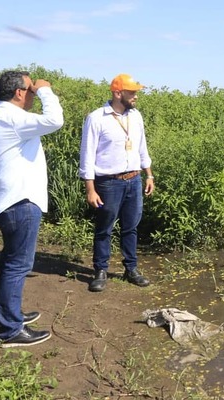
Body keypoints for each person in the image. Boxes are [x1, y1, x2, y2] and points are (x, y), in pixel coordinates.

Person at [0, 70, 64, 347]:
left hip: (8, 201)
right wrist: (45, 89)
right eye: (29, 90)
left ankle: (9, 314)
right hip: (20, 202)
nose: (32, 95)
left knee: (11, 262)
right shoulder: (14, 117)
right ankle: (10, 329)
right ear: (19, 93)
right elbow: (55, 120)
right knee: (18, 265)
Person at [79, 73, 154, 292]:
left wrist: (149, 174)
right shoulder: (97, 118)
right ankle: (100, 270)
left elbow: (142, 147)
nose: (136, 97)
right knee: (104, 228)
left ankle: (131, 269)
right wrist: (90, 189)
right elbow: (87, 156)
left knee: (131, 227)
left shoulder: (136, 116)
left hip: (134, 180)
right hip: (108, 183)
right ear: (117, 93)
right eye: (132, 93)